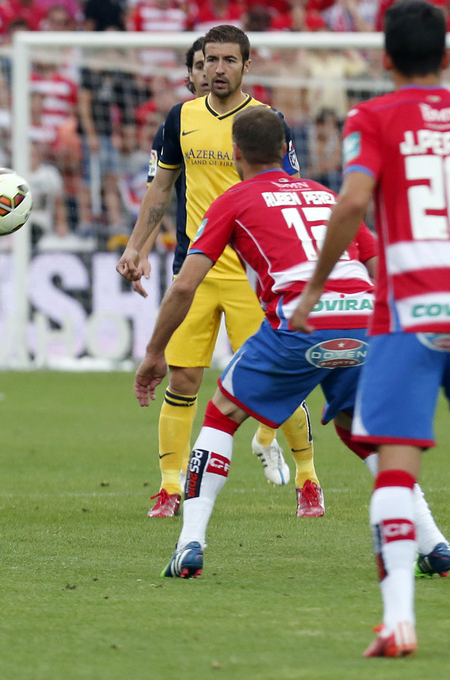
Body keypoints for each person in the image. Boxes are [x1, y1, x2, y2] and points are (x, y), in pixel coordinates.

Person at [136, 106, 450, 586]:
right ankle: (434, 544)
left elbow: (184, 287)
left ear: (236, 153)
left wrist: (155, 353)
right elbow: (375, 264)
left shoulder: (234, 199)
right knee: (358, 429)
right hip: (365, 320)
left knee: (222, 414)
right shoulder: (325, 194)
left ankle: (189, 544)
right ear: (288, 151)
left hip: (300, 322)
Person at [290, 0, 450, 657]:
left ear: (383, 58)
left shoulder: (374, 116)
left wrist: (319, 281)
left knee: (396, 462)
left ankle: (398, 623)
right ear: (448, 55)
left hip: (408, 306)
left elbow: (354, 199)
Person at [118, 26, 322, 519]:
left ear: (246, 65)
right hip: (197, 264)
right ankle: (170, 488)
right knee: (184, 376)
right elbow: (161, 187)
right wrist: (136, 247)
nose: (218, 69)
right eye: (211, 60)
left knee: (275, 379)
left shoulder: (265, 123)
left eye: (229, 60)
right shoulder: (180, 117)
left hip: (255, 273)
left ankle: (309, 477)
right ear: (200, 65)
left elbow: (285, 193)